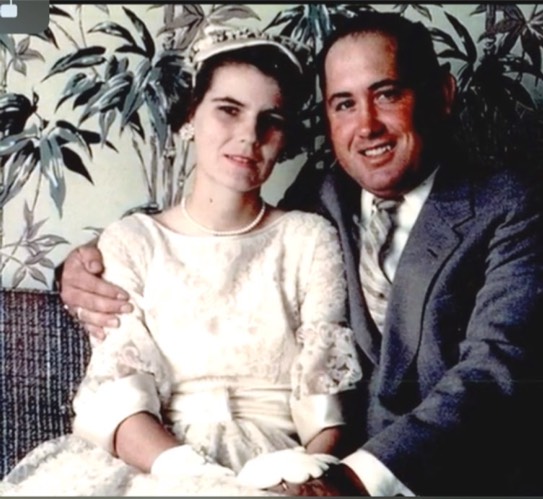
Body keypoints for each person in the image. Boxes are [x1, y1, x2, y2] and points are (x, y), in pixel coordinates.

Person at [57, 12, 543, 496]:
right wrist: (81, 266)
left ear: (442, 95)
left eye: (387, 94)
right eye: (344, 104)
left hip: (451, 480)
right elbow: (217, 244)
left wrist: (351, 477)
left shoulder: (514, 204)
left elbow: (495, 370)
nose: (367, 126)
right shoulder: (323, 199)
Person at [0, 25, 363, 496]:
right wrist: (199, 478)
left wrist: (307, 475)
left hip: (281, 464)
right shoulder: (133, 241)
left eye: (270, 120)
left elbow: (327, 404)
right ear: (191, 116)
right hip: (159, 461)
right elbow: (120, 396)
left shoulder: (308, 238)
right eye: (228, 110)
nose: (248, 136)